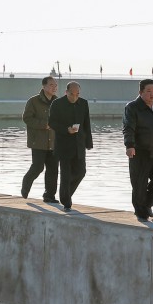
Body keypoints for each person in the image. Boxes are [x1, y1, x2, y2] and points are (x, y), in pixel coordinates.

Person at [122, 78, 153, 221]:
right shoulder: (132, 107)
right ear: (141, 92)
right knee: (139, 183)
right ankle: (140, 211)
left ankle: (147, 203)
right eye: (148, 91)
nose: (152, 94)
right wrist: (129, 145)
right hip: (140, 152)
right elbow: (128, 128)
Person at [48, 81, 93, 211]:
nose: (74, 97)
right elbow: (51, 123)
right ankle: (66, 201)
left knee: (81, 172)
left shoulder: (83, 103)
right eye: (72, 94)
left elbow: (86, 124)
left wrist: (89, 143)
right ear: (66, 92)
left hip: (79, 144)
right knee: (65, 175)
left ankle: (65, 194)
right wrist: (66, 130)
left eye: (77, 94)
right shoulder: (57, 104)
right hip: (63, 145)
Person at [20, 76, 59, 202]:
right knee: (38, 167)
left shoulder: (58, 102)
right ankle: (26, 183)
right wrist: (44, 124)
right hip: (38, 141)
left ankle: (49, 196)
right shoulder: (33, 101)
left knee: (53, 169)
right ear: (44, 86)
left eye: (55, 85)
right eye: (51, 85)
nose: (54, 87)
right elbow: (27, 118)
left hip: (54, 142)